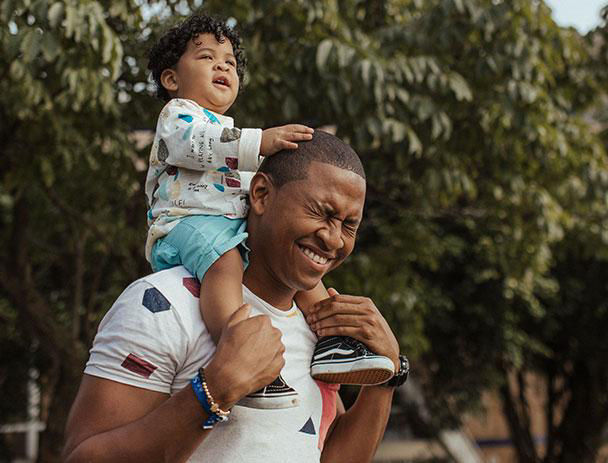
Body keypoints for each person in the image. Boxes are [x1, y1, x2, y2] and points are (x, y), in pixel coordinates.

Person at [63, 131, 409, 462]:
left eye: (349, 225)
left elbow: (326, 455)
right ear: (260, 194)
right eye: (322, 212)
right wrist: (213, 390)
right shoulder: (163, 304)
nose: (334, 240)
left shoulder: (319, 329)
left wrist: (388, 373)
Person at [144, 14, 394, 409]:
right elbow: (196, 144)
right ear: (171, 79)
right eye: (207, 57)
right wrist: (262, 141)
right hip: (183, 222)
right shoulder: (178, 117)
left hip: (224, 223)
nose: (222, 66)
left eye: (229, 62)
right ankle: (241, 349)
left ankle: (333, 342)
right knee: (225, 264)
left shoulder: (226, 130)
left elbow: (247, 184)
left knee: (302, 272)